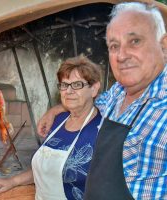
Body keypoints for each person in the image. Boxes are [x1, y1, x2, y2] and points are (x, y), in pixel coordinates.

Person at [37, 2, 167, 199]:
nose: (122, 56)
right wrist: (54, 110)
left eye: (135, 41)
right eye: (114, 46)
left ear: (164, 46)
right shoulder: (117, 94)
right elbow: (87, 100)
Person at [0, 55, 102, 200]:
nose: (69, 91)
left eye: (77, 85)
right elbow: (46, 169)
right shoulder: (57, 121)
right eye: (64, 85)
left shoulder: (103, 131)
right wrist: (12, 181)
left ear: (94, 89)